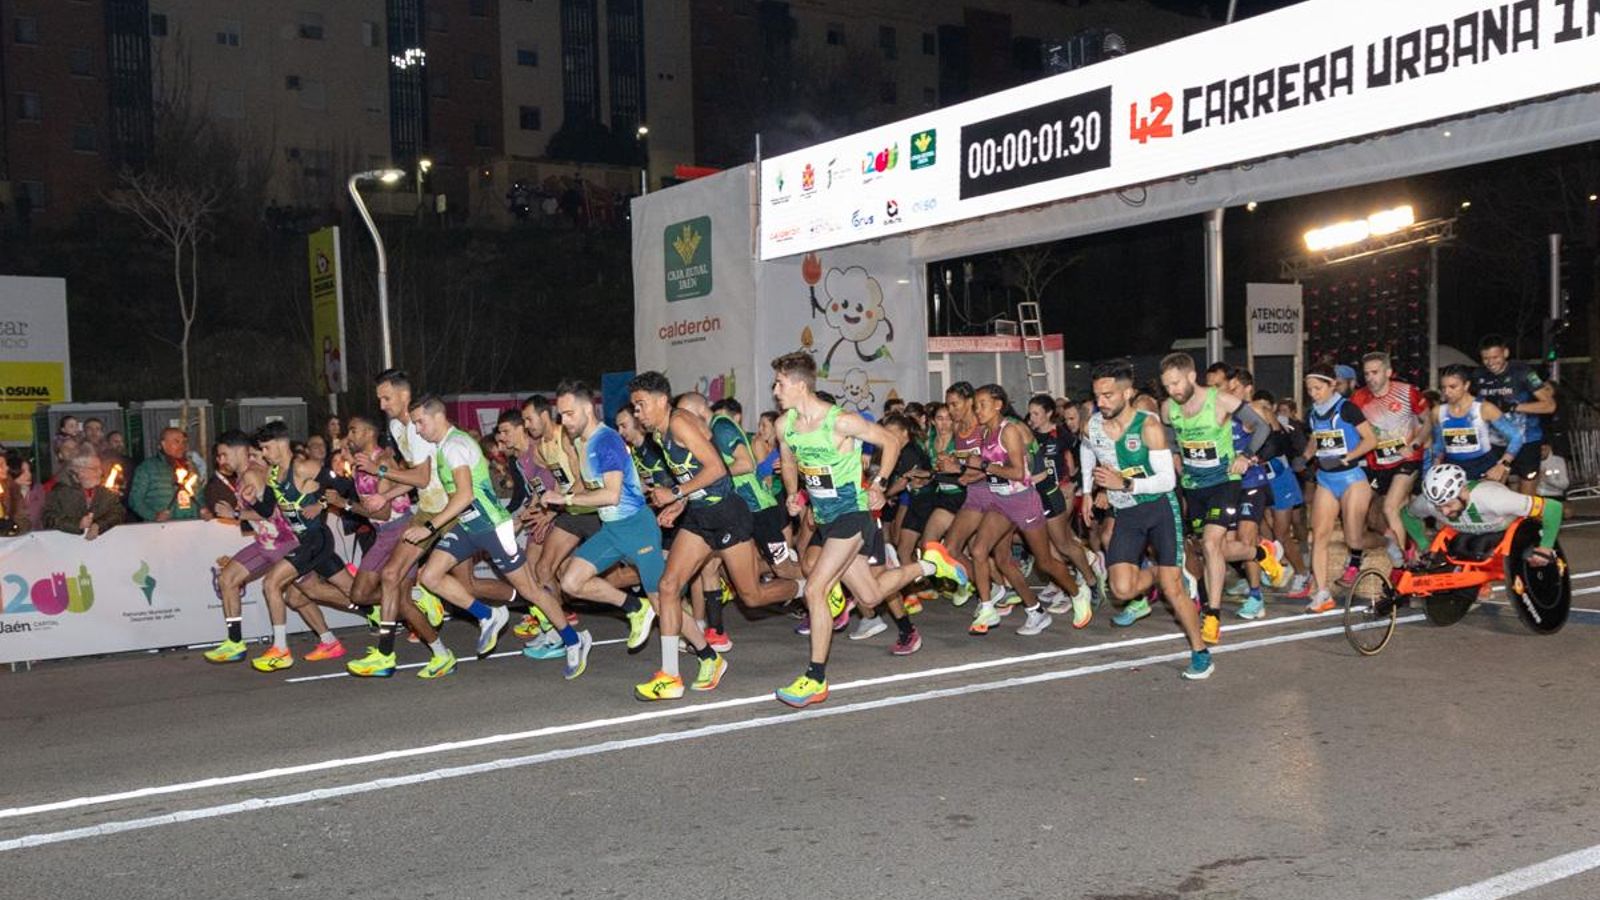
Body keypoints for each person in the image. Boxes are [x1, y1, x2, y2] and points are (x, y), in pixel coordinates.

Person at [770, 351, 966, 707]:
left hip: (853, 514)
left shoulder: (840, 422)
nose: (776, 389)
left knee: (815, 589)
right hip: (826, 518)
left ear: (799, 385)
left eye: (780, 383)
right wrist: (792, 494)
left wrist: (878, 483)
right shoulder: (785, 425)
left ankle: (815, 678)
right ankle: (931, 565)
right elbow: (787, 459)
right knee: (871, 596)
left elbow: (890, 442)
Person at [405, 395, 585, 677]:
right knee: (430, 576)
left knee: (532, 591)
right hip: (467, 527)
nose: (417, 429)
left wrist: (429, 527)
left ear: (438, 417)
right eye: (414, 423)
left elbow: (464, 495)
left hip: (491, 528)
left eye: (420, 422)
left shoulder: (455, 446)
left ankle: (575, 641)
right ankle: (488, 614)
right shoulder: (443, 448)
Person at [1079, 361, 1212, 679]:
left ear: (1127, 393)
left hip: (1158, 508)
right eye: (1098, 395)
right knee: (1122, 590)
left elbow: (1167, 481)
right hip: (1126, 511)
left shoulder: (1148, 426)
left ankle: (1200, 652)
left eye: (1109, 395)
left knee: (1174, 590)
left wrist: (1123, 483)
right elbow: (1087, 449)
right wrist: (1087, 490)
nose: (1102, 402)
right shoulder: (1094, 425)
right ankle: (1155, 574)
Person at [1160, 353, 1278, 643]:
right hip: (1194, 485)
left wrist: (1246, 455)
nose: (1172, 391)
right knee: (1214, 548)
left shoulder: (1221, 400)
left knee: (1212, 544)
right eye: (1167, 386)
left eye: (1176, 383)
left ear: (1191, 376)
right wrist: (1175, 452)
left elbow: (1263, 427)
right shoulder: (1167, 408)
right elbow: (1167, 430)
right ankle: (1261, 553)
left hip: (1225, 481)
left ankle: (1212, 615)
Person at [1302, 364, 1381, 612]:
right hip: (1326, 477)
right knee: (1318, 536)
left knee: (1353, 537)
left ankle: (1386, 542)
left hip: (1352, 477)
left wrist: (1347, 457)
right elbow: (1316, 439)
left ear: (1331, 385)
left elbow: (1371, 440)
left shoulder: (1347, 408)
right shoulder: (1313, 413)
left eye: (1317, 388)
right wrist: (1304, 457)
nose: (1313, 393)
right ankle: (1323, 593)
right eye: (1309, 389)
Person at [1402, 463, 1563, 567]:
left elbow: (1553, 507)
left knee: (1481, 549)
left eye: (1448, 505)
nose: (1444, 511)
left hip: (1509, 534)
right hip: (1469, 536)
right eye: (1439, 507)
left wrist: (1546, 547)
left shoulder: (1493, 499)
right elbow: (1407, 515)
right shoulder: (1429, 503)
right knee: (1457, 549)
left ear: (1463, 492)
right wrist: (1423, 544)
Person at [1352, 351, 1428, 568]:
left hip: (1407, 459)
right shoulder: (1359, 398)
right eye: (1366, 373)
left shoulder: (1407, 392)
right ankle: (1407, 543)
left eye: (1375, 372)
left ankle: (1403, 565)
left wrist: (1414, 444)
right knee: (1367, 513)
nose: (1370, 378)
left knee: (1390, 507)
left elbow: (1428, 421)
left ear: (1388, 372)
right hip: (1377, 463)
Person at [1473, 333, 1557, 495]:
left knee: (1526, 497)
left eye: (1495, 357)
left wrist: (1513, 407)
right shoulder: (1479, 375)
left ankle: (1528, 519)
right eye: (1486, 359)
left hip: (1527, 440)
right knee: (1493, 492)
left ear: (1505, 353)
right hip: (1495, 443)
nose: (1491, 363)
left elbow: (1549, 405)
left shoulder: (1523, 372)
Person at [1433, 365, 1523, 482]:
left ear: (1466, 385)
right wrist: (1436, 465)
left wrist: (1503, 465)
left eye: (1453, 387)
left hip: (1484, 466)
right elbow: (1439, 444)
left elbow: (1516, 436)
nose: (1447, 392)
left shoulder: (1484, 408)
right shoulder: (1438, 411)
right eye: (1443, 387)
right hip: (1453, 468)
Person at [42, 451, 125, 539]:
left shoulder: (106, 493)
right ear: (81, 471)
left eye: (100, 468)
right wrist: (77, 524)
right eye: (95, 469)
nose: (100, 472)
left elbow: (118, 513)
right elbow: (48, 518)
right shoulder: (60, 492)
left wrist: (98, 525)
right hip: (67, 546)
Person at [129, 427, 202, 522]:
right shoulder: (147, 468)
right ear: (163, 444)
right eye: (176, 442)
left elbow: (199, 495)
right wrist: (153, 516)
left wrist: (203, 510)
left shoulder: (191, 467)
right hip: (160, 529)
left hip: (191, 525)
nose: (182, 446)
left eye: (184, 442)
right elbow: (135, 500)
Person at [0, 450, 35, 535]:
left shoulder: (12, 491)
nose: (7, 468)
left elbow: (23, 518)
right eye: (1, 465)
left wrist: (15, 526)